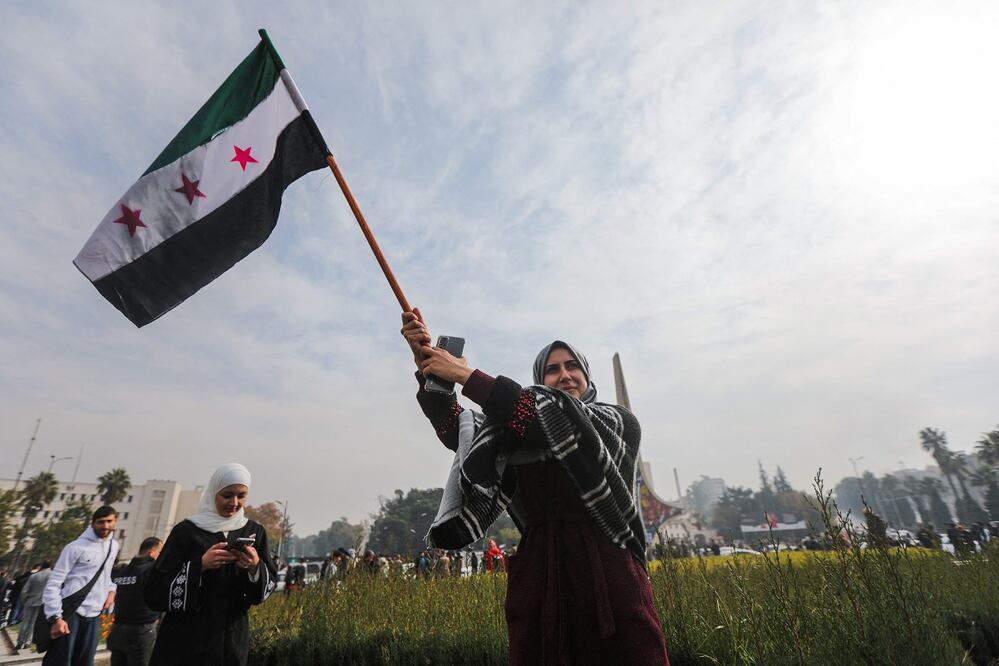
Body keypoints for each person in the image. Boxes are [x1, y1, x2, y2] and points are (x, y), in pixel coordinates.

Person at [401, 311, 670, 664]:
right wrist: (432, 372)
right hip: (540, 579)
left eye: (573, 366)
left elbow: (551, 419)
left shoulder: (617, 423)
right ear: (540, 380)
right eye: (552, 369)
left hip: (611, 577)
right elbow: (461, 432)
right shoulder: (515, 430)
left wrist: (466, 375)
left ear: (587, 377)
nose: (565, 375)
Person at [144, 463, 277, 666]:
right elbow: (155, 589)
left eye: (241, 496)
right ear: (213, 492)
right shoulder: (187, 531)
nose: (234, 502)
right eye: (227, 495)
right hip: (185, 640)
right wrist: (200, 566)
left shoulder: (254, 531)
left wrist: (254, 567)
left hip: (230, 640)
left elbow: (266, 587)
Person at [42, 505, 120, 666]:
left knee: (85, 661)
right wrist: (56, 617)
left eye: (109, 521)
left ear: (115, 521)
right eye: (100, 522)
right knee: (61, 660)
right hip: (71, 611)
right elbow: (54, 583)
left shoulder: (114, 546)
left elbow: (106, 575)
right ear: (92, 524)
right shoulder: (75, 547)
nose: (105, 526)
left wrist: (112, 590)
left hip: (94, 613)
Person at [106, 537, 163, 666]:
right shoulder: (151, 569)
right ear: (151, 552)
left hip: (118, 628)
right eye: (160, 552)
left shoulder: (123, 571)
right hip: (142, 629)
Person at [15, 561, 51, 650]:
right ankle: (28, 642)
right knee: (33, 624)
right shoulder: (52, 575)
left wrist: (24, 600)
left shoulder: (34, 576)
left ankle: (20, 642)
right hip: (42, 602)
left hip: (30, 601)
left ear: (42, 566)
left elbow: (24, 591)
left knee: (25, 623)